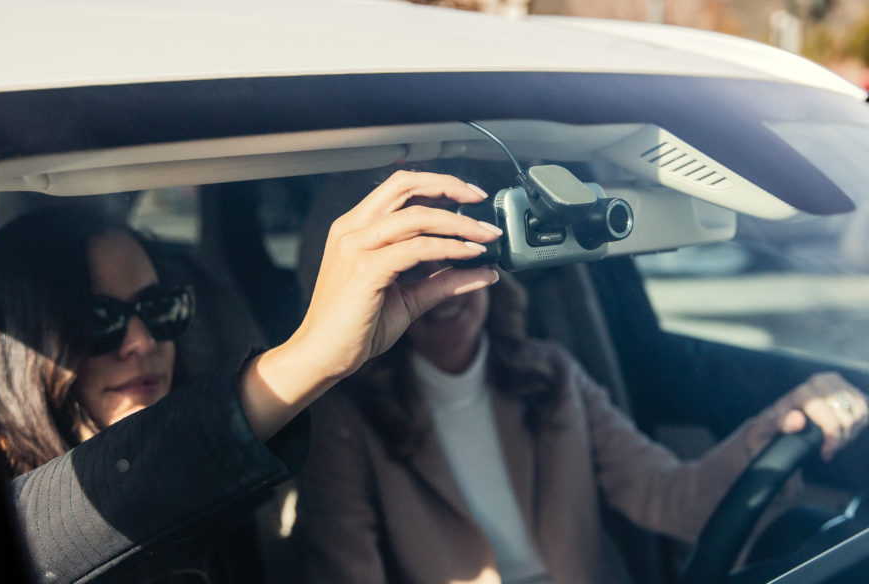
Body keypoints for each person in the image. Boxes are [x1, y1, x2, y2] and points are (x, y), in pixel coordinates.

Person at [0, 171, 504, 584]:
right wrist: (310, 356)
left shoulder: (217, 503)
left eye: (158, 309)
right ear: (21, 346)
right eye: (96, 321)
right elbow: (40, 533)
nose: (143, 342)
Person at [295, 209, 869, 584]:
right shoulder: (347, 420)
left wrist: (781, 423)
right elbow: (347, 572)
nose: (439, 286)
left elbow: (671, 497)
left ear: (493, 268)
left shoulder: (552, 376)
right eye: (414, 271)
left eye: (458, 258)